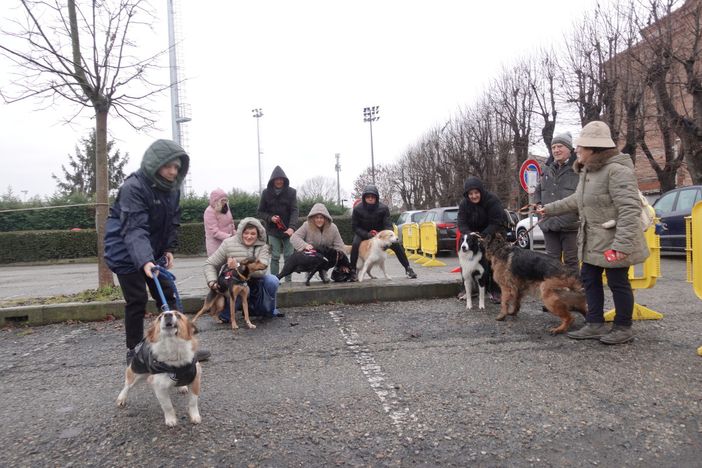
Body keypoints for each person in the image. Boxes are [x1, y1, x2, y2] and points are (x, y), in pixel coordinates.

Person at [537, 120, 649, 345]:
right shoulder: (589, 171)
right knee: (590, 280)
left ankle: (623, 327)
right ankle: (594, 323)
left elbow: (630, 209)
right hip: (592, 240)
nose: (577, 149)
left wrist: (622, 245)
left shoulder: (617, 170)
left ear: (594, 148)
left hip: (613, 241)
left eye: (581, 146)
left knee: (618, 282)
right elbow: (576, 200)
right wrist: (548, 209)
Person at [104, 139, 210, 364]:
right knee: (137, 300)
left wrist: (168, 248)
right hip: (124, 250)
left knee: (167, 294)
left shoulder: (172, 189)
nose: (173, 172)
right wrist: (145, 260)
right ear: (154, 164)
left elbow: (172, 221)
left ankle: (183, 348)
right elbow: (134, 228)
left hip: (151, 251)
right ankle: (135, 352)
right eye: (168, 166)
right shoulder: (133, 187)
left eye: (177, 167)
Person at [204, 217, 284, 321]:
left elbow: (262, 271)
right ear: (241, 232)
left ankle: (268, 310)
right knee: (226, 316)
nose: (249, 236)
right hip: (234, 281)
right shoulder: (228, 243)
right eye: (246, 233)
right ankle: (225, 313)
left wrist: (237, 266)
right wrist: (212, 282)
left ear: (258, 234)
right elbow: (210, 264)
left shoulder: (263, 247)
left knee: (273, 280)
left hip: (256, 280)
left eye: (253, 234)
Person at [348, 184, 417, 281]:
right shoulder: (357, 209)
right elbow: (355, 227)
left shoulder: (383, 208)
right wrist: (367, 234)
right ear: (364, 197)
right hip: (363, 233)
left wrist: (384, 236)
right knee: (355, 244)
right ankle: (353, 271)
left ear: (376, 197)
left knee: (396, 245)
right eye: (368, 196)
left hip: (380, 234)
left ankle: (408, 268)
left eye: (373, 196)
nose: (370, 198)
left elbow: (388, 225)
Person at [456, 176, 508, 304]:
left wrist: (483, 235)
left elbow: (496, 221)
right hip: (473, 234)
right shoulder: (464, 204)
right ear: (467, 195)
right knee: (466, 258)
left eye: (476, 192)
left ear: (481, 191)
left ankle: (495, 290)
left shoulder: (492, 200)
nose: (474, 196)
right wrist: (469, 234)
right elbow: (461, 222)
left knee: (494, 261)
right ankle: (468, 288)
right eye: (470, 194)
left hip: (494, 231)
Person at [534, 132, 580, 272]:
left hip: (570, 224)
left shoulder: (578, 168)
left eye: (560, 146)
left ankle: (574, 285)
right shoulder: (547, 169)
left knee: (571, 261)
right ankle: (555, 286)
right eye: (553, 147)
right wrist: (538, 204)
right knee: (552, 262)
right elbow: (538, 190)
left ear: (569, 149)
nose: (556, 150)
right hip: (549, 222)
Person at [257, 166, 298, 282]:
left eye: (281, 179)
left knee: (289, 257)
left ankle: (288, 282)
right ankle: (274, 281)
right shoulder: (265, 193)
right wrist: (270, 218)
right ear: (273, 180)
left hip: (288, 230)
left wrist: (292, 227)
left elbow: (294, 211)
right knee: (274, 256)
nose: (279, 181)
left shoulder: (292, 192)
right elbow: (260, 212)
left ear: (284, 180)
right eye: (277, 179)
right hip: (273, 231)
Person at [204, 188, 236, 256]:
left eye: (225, 200)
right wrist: (229, 237)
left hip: (228, 242)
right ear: (215, 201)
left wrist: (235, 233)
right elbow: (214, 232)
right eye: (222, 200)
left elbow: (231, 222)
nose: (224, 202)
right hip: (216, 245)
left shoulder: (226, 208)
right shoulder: (209, 211)